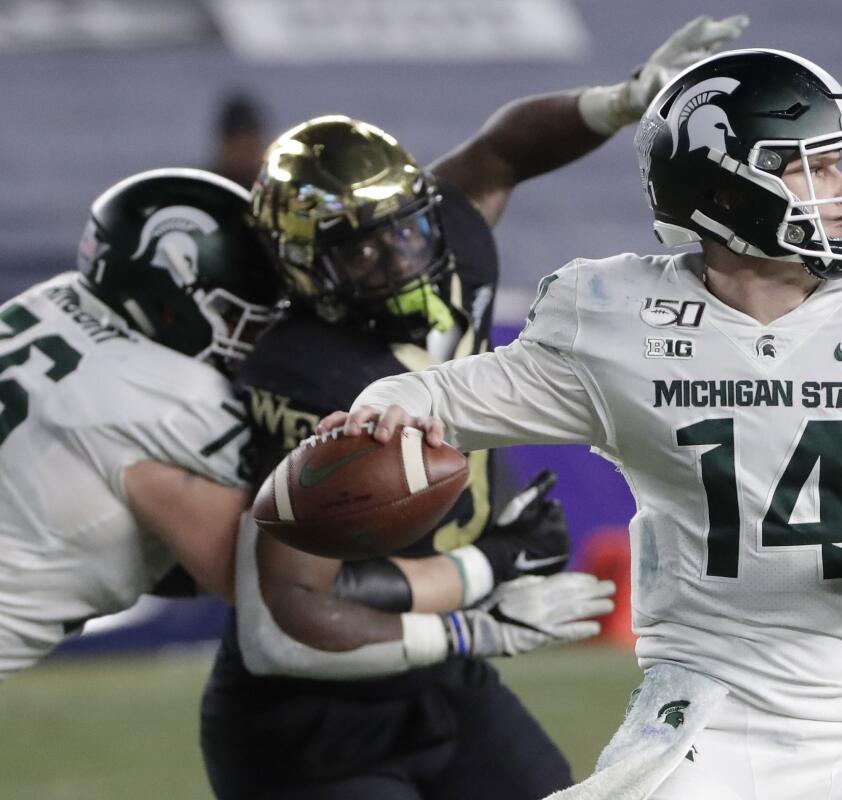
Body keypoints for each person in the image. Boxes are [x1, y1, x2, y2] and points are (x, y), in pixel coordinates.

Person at [330, 49, 842, 800]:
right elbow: (419, 403)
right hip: (703, 731)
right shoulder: (615, 321)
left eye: (839, 162)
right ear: (727, 189)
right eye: (813, 166)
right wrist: (364, 431)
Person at [199, 15, 749, 800]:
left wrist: (617, 102)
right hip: (312, 721)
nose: (400, 260)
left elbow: (503, 151)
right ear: (304, 270)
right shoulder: (304, 371)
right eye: (361, 250)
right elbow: (289, 615)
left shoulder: (450, 244)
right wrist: (483, 584)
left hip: (443, 684)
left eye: (408, 229)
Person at [0, 168, 280, 679]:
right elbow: (274, 589)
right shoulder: (182, 403)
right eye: (240, 318)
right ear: (170, 305)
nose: (256, 338)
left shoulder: (47, 302)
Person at [208, 92, 270, 190]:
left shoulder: (268, 186)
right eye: (241, 147)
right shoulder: (208, 185)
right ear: (226, 144)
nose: (244, 155)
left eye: (249, 148)